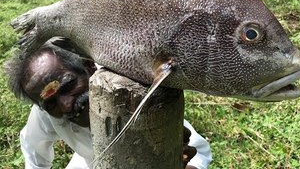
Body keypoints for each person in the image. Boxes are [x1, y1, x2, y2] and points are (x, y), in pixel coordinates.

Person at [5, 41, 212, 169]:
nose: (66, 105)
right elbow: (33, 149)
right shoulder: (47, 113)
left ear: (88, 67)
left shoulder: (130, 94)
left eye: (68, 84)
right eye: (50, 104)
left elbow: (199, 150)